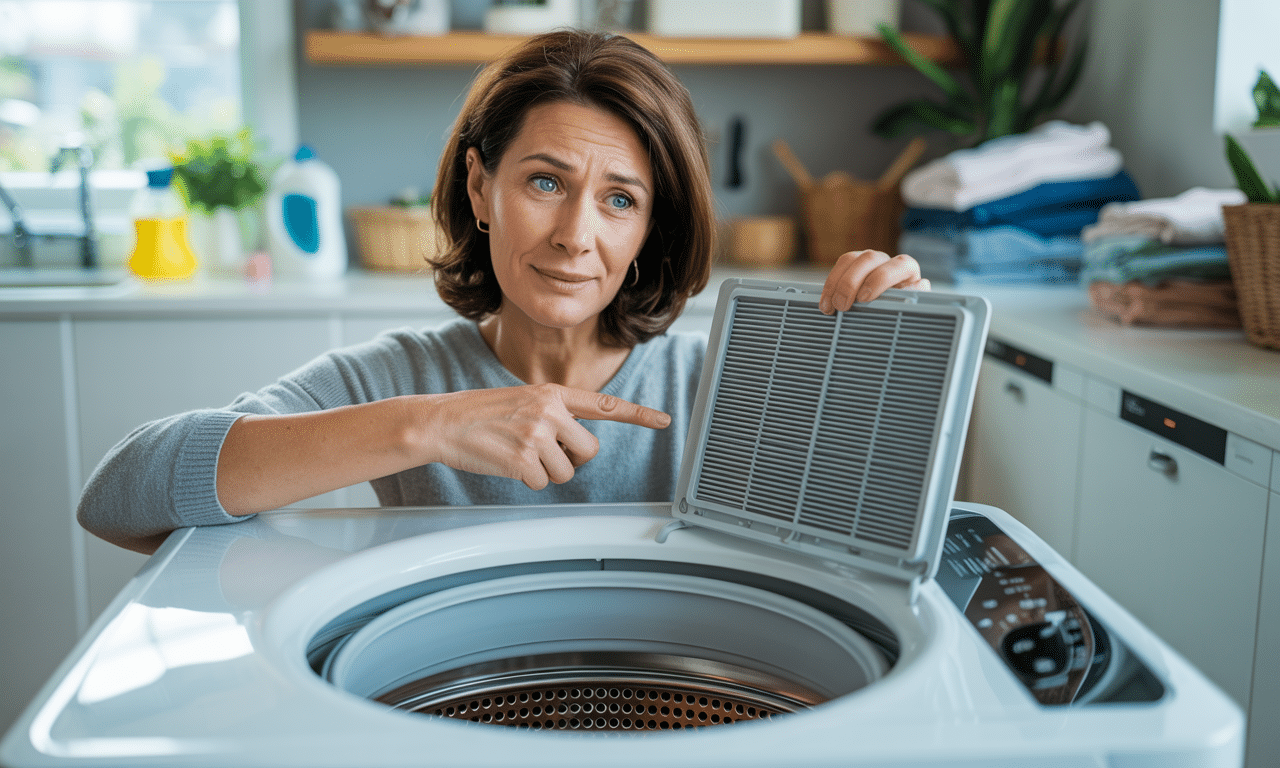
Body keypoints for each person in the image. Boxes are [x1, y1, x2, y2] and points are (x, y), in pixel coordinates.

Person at [77, 30, 929, 554]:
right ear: (481, 188)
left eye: (620, 200)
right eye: (546, 183)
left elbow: (870, 544)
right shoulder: (398, 378)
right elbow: (119, 500)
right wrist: (429, 425)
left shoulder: (730, 381)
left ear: (649, 230)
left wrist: (891, 359)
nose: (576, 235)